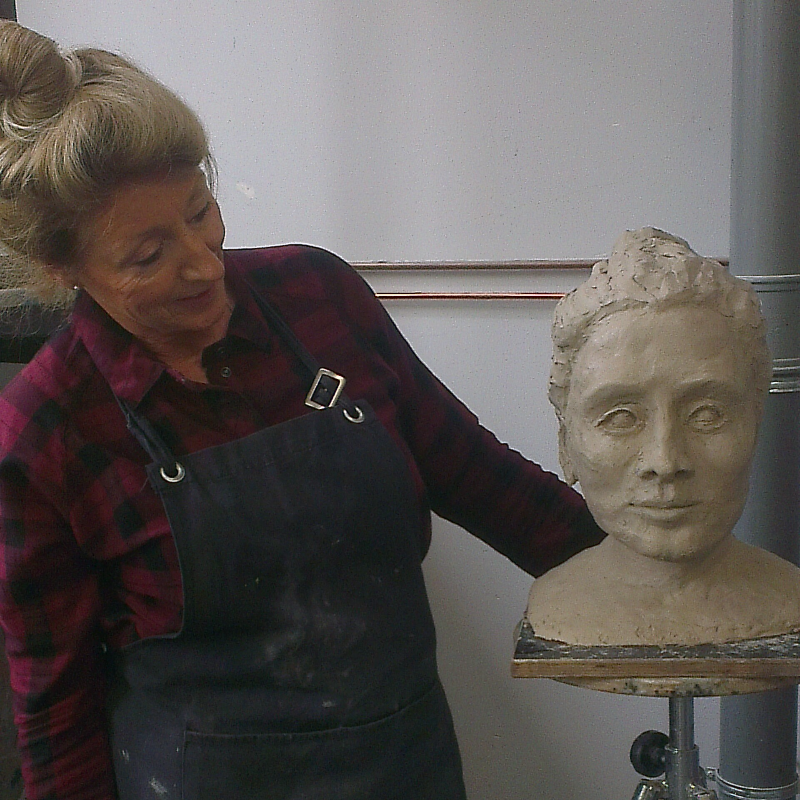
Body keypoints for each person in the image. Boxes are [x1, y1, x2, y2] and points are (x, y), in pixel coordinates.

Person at [0, 21, 604, 800]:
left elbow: (477, 475)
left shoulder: (318, 296)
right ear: (61, 271)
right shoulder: (46, 430)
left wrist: (639, 567)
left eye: (200, 210)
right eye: (146, 256)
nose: (201, 261)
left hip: (405, 767)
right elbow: (56, 712)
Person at [526, 227, 800, 646]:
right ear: (566, 440)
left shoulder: (788, 596)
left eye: (707, 414)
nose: (666, 461)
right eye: (620, 418)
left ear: (754, 422)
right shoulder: (555, 602)